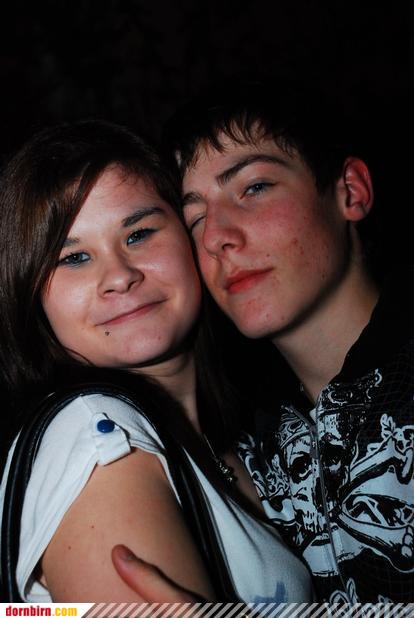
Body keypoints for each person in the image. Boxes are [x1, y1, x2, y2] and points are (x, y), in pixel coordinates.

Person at [111, 84, 414, 603]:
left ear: (350, 192)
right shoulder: (245, 450)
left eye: (253, 188)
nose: (216, 237)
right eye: (195, 218)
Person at [0, 119, 313, 602]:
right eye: (74, 258)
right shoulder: (101, 439)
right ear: (31, 295)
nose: (119, 276)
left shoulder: (246, 441)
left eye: (139, 234)